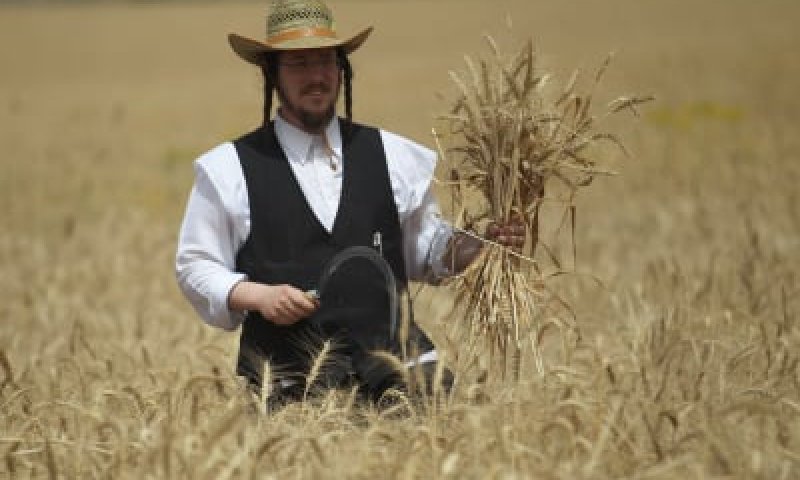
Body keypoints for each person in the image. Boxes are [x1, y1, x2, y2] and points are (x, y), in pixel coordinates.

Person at [175, 0, 524, 405]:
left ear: (342, 69)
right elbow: (195, 265)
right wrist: (259, 296)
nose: (317, 76)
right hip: (293, 395)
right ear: (271, 73)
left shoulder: (391, 155)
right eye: (300, 63)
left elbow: (423, 249)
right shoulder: (229, 169)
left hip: (404, 380)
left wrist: (484, 247)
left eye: (326, 61)